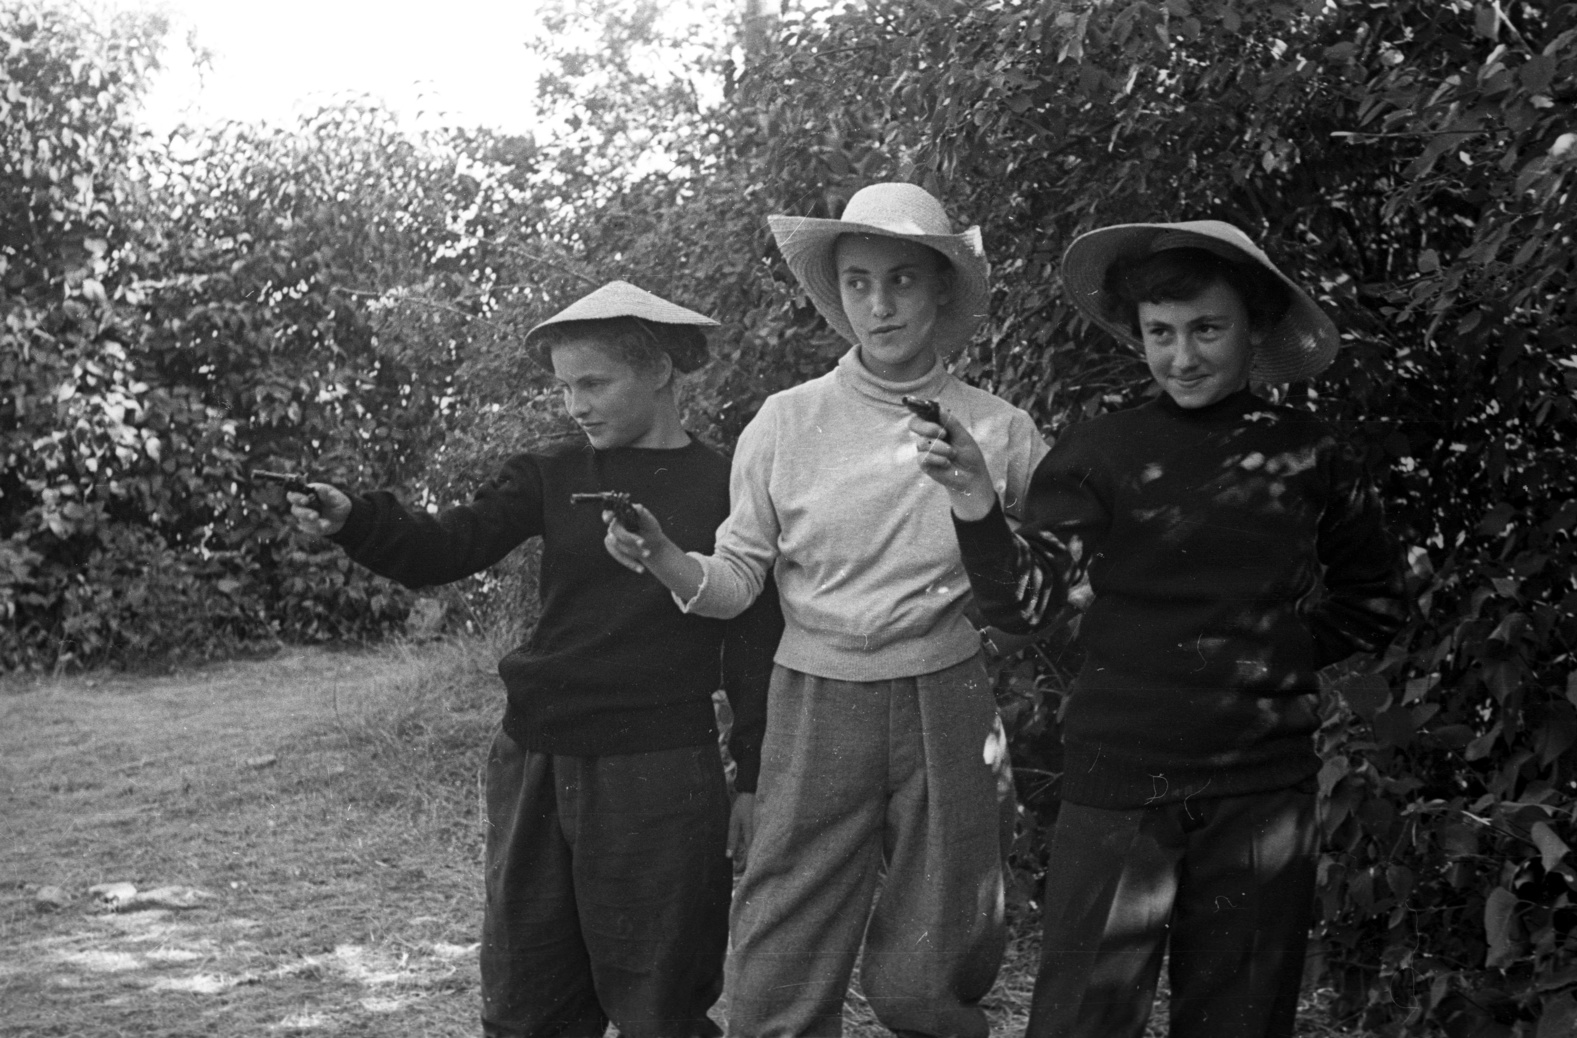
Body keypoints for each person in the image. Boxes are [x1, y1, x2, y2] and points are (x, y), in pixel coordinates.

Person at [913, 221, 1409, 1038]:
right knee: (1082, 1021)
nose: (1183, 356)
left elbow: (1374, 601)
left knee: (1241, 1021)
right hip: (1121, 781)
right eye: (1161, 334)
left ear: (1254, 328)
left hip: (1262, 792)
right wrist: (974, 501)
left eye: (1207, 329)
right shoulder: (1100, 453)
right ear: (1138, 335)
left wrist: (1269, 658)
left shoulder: (1311, 455)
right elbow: (1025, 608)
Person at [605, 182, 1049, 1037]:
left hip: (951, 699)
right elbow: (737, 578)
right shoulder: (787, 421)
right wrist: (665, 556)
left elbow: (1054, 576)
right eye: (857, 281)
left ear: (942, 287)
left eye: (902, 280)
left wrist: (986, 504)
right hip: (815, 698)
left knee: (940, 950)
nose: (878, 305)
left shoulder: (1000, 429)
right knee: (782, 942)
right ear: (836, 291)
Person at [288, 280, 783, 1038]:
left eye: (594, 383)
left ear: (657, 371)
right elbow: (446, 545)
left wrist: (750, 775)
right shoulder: (549, 473)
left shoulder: (726, 485)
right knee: (529, 1001)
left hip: (660, 774)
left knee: (661, 1007)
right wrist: (356, 519)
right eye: (563, 388)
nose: (575, 405)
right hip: (535, 759)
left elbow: (753, 638)